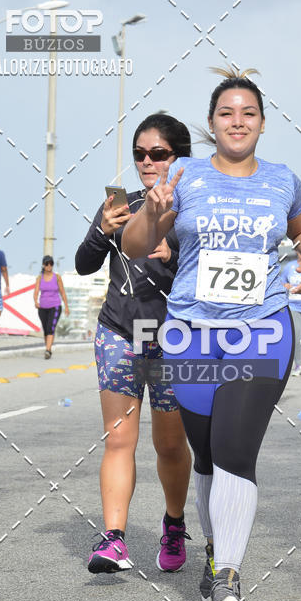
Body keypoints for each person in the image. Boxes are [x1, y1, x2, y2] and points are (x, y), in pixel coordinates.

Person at [122, 67, 301, 601]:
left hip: (262, 329)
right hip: (190, 333)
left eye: (248, 113)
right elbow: (136, 244)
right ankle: (216, 549)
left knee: (236, 447)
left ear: (263, 123)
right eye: (227, 113)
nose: (238, 121)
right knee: (208, 455)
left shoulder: (283, 180)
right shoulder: (183, 174)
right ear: (212, 124)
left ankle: (229, 575)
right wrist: (153, 213)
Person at [75, 113, 192, 577]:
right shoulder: (121, 204)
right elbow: (84, 264)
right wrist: (102, 231)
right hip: (119, 331)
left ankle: (174, 525)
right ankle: (114, 538)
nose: (146, 162)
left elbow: (210, 274)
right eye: (139, 154)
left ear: (179, 157)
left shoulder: (193, 206)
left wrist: (174, 255)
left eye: (157, 154)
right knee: (119, 437)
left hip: (172, 338)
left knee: (170, 445)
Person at [33, 256, 69, 358]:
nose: (49, 266)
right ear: (43, 265)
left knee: (50, 328)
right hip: (42, 307)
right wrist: (35, 301)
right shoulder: (39, 278)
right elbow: (36, 292)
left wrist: (66, 306)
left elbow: (62, 292)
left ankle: (48, 350)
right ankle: (47, 348)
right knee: (45, 329)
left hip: (55, 306)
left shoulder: (57, 277)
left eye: (51, 264)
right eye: (47, 264)